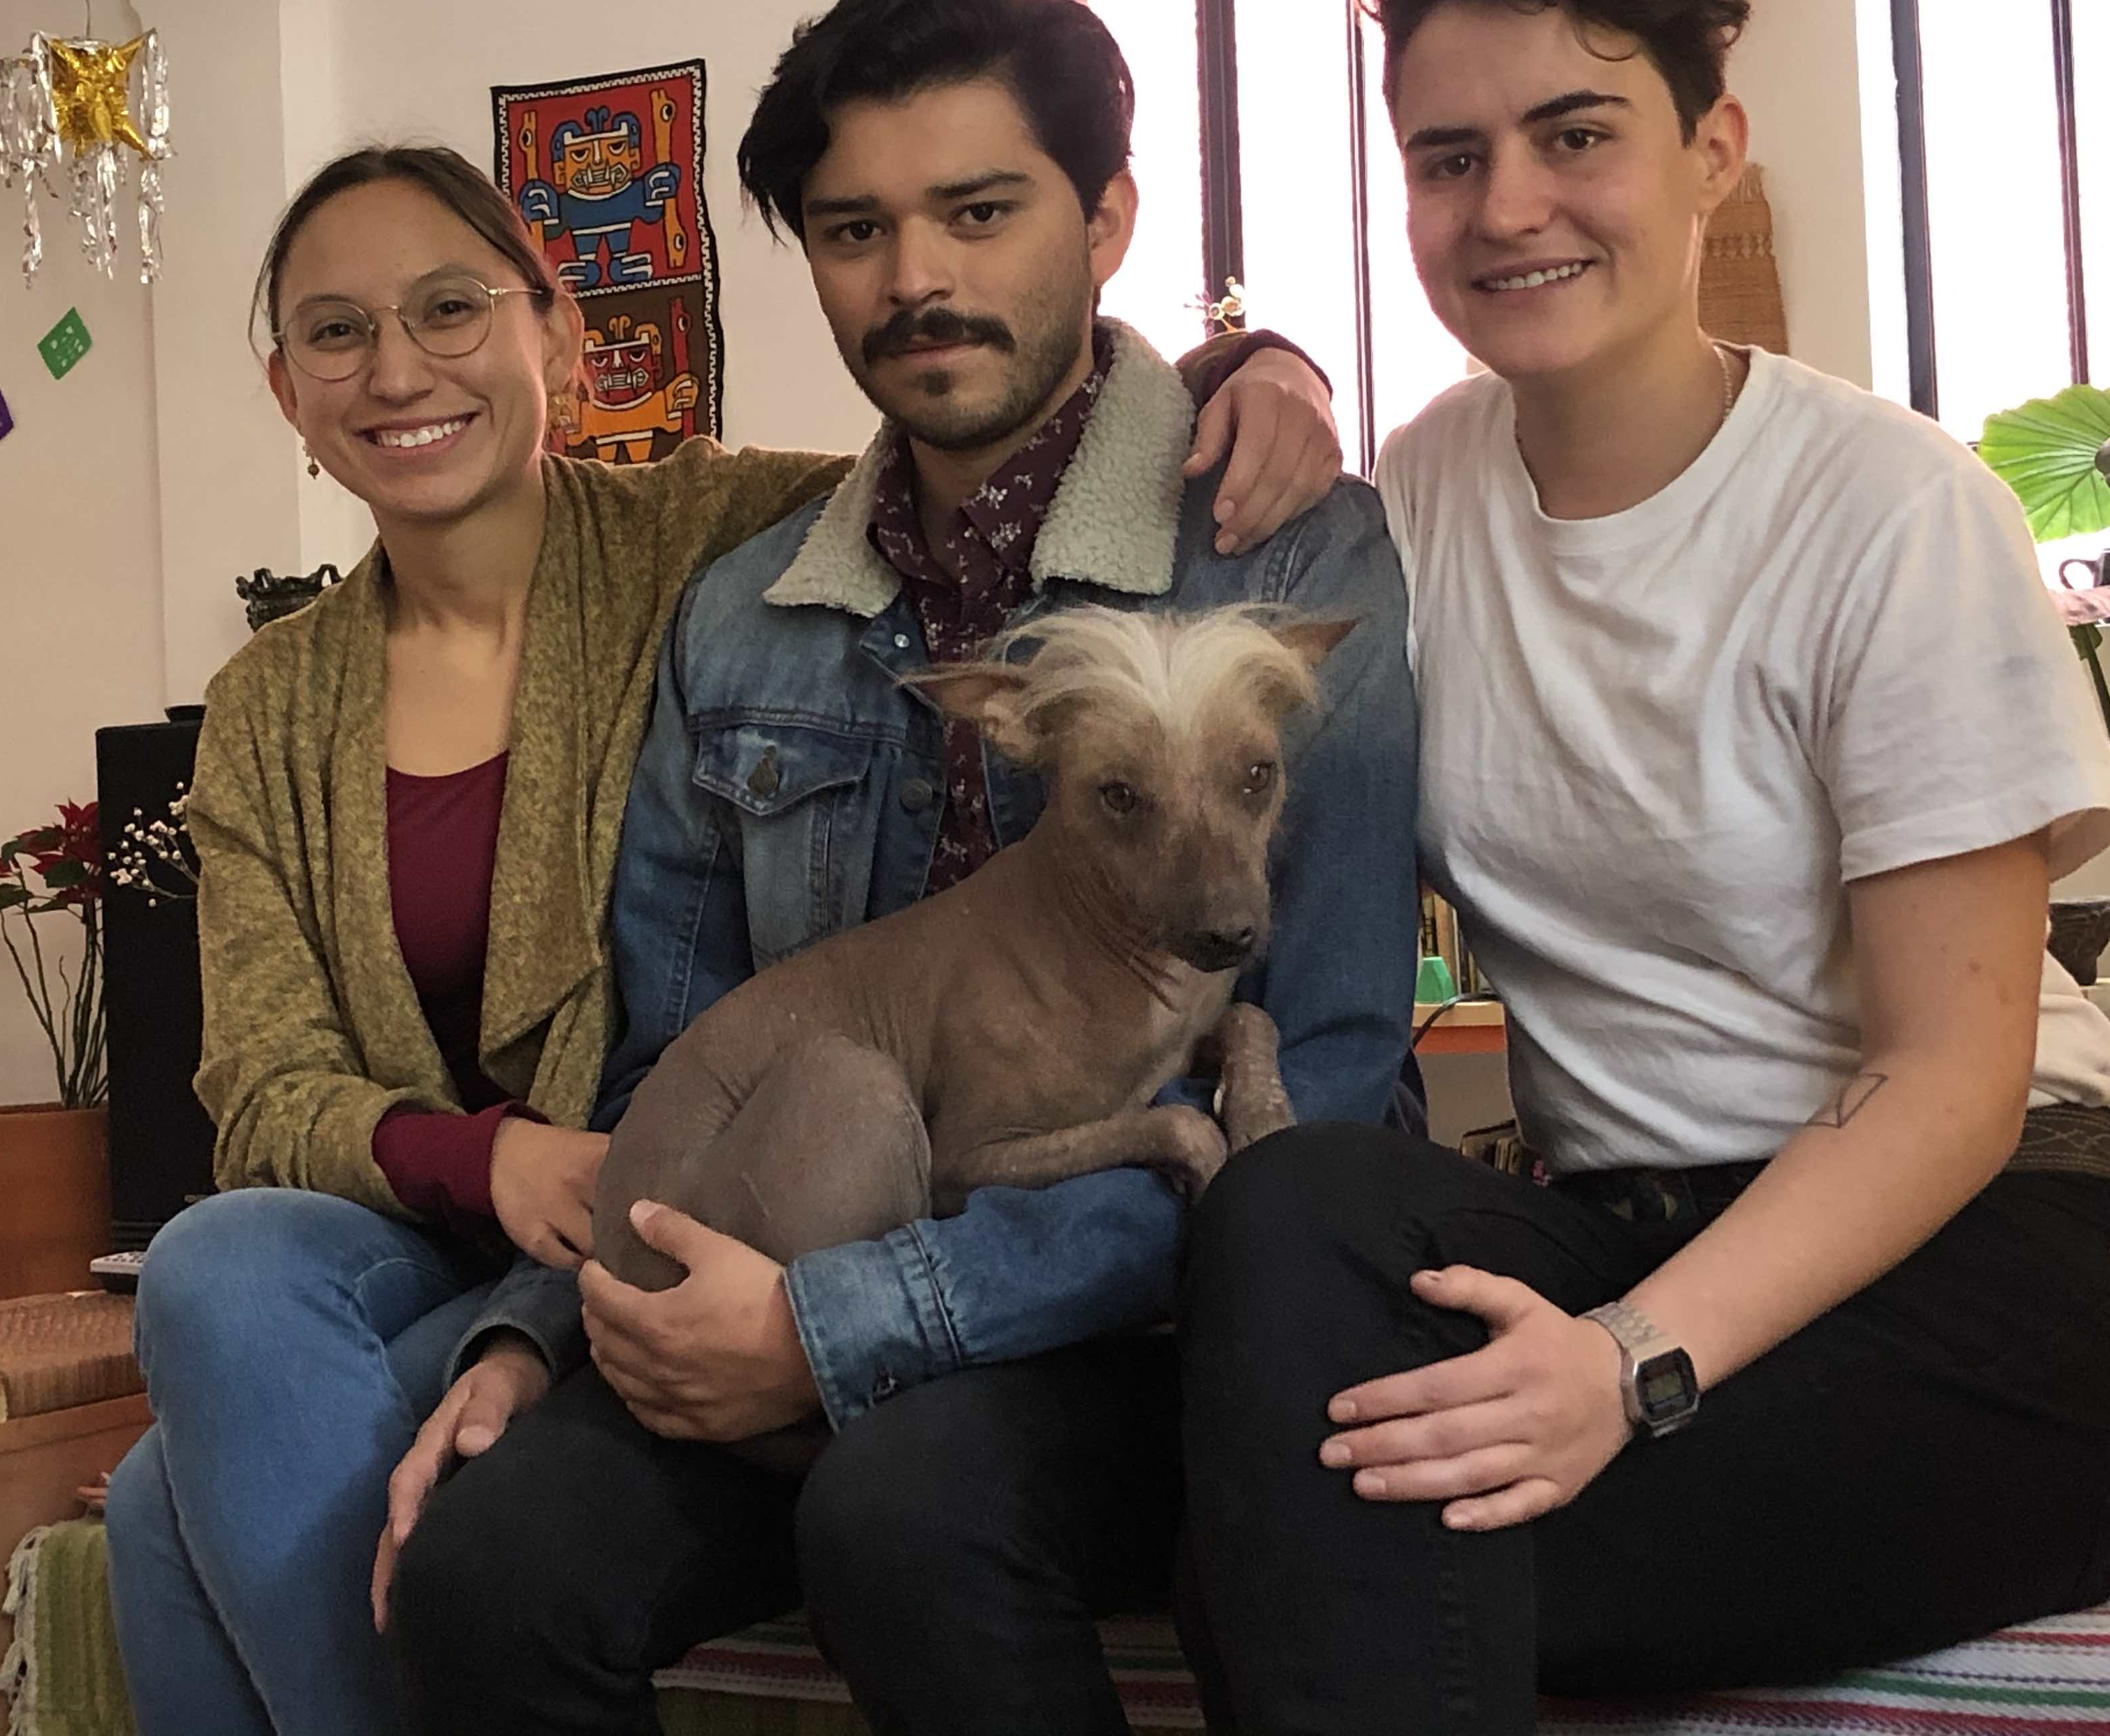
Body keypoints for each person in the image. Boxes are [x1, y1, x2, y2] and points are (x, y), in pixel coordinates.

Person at [99, 140, 1342, 1736]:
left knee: (150, 1512)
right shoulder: (271, 704)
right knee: (211, 1267)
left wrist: (1253, 360)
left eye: (450, 307)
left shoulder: (717, 540)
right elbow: (263, 1088)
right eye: (337, 333)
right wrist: (493, 1163)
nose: (397, 368)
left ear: (556, 330)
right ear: (287, 389)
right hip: (431, 1223)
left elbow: (972, 440)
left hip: (686, 1172)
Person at [1175, 0, 2110, 1733]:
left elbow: (1951, 1077)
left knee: (1366, 1556)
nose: (1509, 209)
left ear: (1710, 149)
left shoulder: (1890, 511)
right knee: (1293, 1215)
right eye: (1446, 158)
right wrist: (1263, 361)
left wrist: (1629, 1368)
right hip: (1619, 1227)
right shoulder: (1415, 510)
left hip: (1983, 1268)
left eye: (1578, 134)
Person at [374, 0, 1421, 1736]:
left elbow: (1325, 1061)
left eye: (979, 210)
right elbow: (676, 1064)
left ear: (1107, 223)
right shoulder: (749, 619)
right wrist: (536, 1340)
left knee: (907, 1511)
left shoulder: (1286, 558)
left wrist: (866, 1318)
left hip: (1161, 1319)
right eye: (856, 229)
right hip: (789, 1274)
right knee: (486, 1571)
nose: (916, 275)